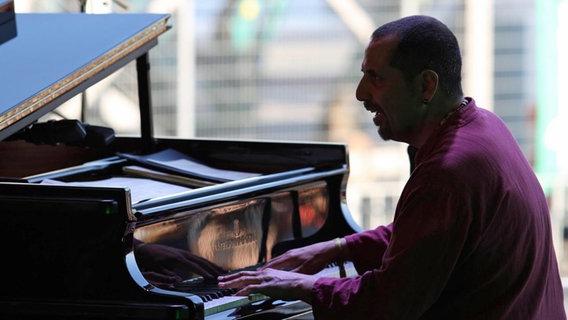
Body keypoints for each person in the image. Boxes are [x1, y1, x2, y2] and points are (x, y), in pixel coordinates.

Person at [217, 15, 566, 319]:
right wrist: (335, 248)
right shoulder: (483, 126)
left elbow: (388, 305)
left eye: (376, 78)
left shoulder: (448, 172)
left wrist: (301, 286)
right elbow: (423, 236)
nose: (360, 93)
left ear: (426, 85)